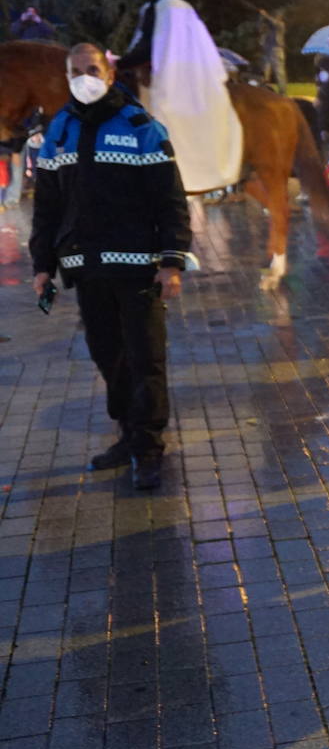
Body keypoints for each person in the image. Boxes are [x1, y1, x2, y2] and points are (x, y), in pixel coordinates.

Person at [29, 43, 191, 490]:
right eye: (77, 71)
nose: (86, 77)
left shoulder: (141, 125)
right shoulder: (58, 130)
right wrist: (42, 264)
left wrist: (171, 260)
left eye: (93, 69)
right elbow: (47, 206)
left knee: (146, 359)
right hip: (87, 269)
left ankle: (149, 448)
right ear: (67, 77)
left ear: (109, 71)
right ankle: (128, 434)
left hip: (139, 269)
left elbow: (169, 200)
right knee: (109, 359)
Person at [119, 0, 241, 194]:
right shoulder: (180, 5)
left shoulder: (162, 7)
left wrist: (118, 63)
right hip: (190, 76)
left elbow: (149, 47)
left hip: (167, 78)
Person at [257, 7, 287, 95]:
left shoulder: (280, 24)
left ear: (279, 17)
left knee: (279, 73)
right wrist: (261, 17)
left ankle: (283, 93)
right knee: (264, 73)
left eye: (276, 16)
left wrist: (265, 15)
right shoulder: (267, 28)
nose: (275, 17)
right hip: (266, 51)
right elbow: (258, 28)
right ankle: (264, 91)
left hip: (276, 51)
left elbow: (273, 22)